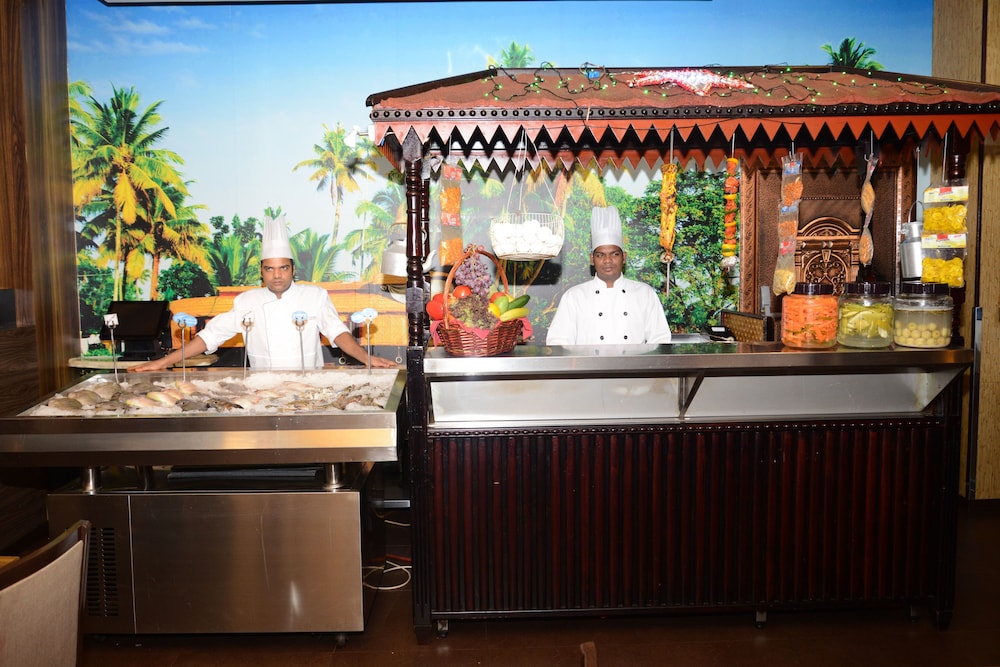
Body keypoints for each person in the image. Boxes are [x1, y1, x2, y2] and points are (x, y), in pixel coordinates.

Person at [131, 215, 397, 372]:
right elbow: (209, 337)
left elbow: (337, 333)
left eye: (283, 268)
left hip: (309, 386)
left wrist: (366, 358)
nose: (277, 275)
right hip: (262, 387)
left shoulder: (315, 296)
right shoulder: (247, 301)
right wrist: (161, 363)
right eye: (270, 269)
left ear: (293, 269)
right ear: (262, 271)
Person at [546, 206, 671, 346]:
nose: (607, 261)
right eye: (600, 255)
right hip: (588, 361)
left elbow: (660, 340)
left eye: (614, 254)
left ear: (624, 257)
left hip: (634, 361)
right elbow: (558, 342)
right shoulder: (574, 296)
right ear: (592, 259)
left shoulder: (644, 293)